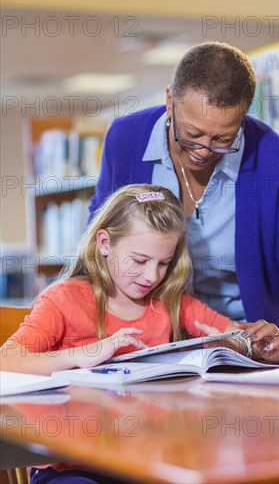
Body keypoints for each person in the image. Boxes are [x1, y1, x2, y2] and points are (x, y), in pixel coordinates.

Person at [88, 42, 279, 363]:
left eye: (223, 139)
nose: (204, 151)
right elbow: (98, 247)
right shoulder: (126, 140)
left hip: (242, 347)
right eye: (192, 133)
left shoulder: (274, 160)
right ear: (169, 101)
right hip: (145, 341)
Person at [1, 183, 256, 484]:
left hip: (147, 459)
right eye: (139, 261)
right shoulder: (63, 299)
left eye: (164, 263)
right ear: (105, 243)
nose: (152, 276)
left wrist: (234, 345)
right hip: (71, 466)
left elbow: (241, 335)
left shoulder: (169, 300)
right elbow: (7, 360)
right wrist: (81, 355)